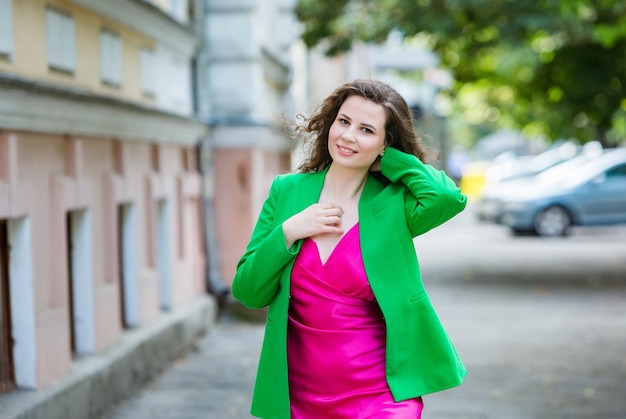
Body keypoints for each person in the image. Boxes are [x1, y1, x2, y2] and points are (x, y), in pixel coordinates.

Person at [232, 79, 467, 419]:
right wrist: (288, 232)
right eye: (344, 122)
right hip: (298, 395)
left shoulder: (393, 207)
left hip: (379, 393)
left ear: (385, 142)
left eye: (366, 130)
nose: (347, 136)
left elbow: (447, 198)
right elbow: (248, 291)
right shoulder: (287, 191)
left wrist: (391, 163)